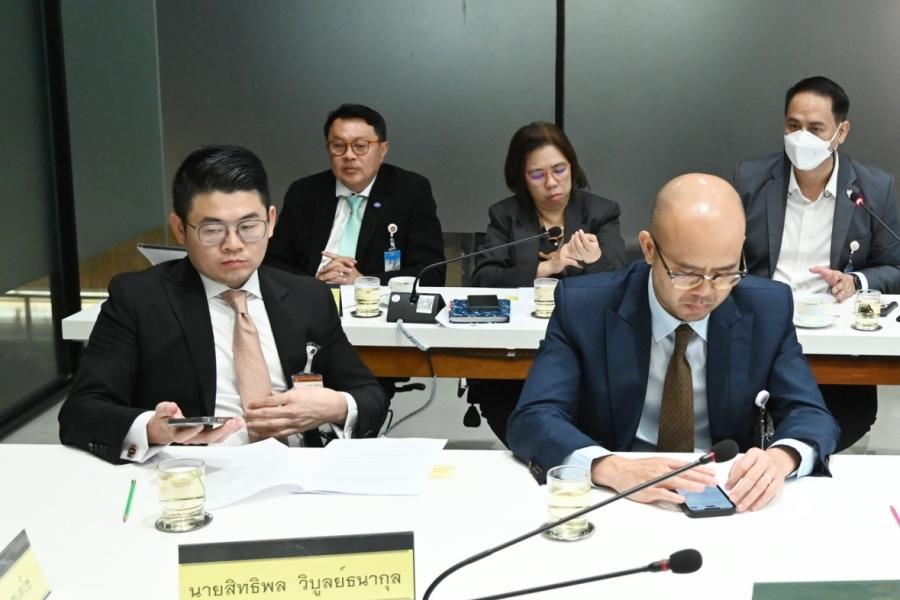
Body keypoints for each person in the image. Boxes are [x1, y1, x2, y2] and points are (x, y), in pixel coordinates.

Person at [508, 173, 839, 512]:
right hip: (617, 496)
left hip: (725, 492)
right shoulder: (585, 307)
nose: (706, 292)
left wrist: (781, 458)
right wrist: (609, 467)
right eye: (686, 273)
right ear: (649, 249)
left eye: (725, 273)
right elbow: (534, 416)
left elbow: (810, 413)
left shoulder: (767, 308)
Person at [59, 145, 387, 464]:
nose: (233, 244)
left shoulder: (308, 296)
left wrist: (336, 407)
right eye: (212, 230)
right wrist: (153, 429)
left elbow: (369, 394)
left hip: (298, 468)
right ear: (179, 229)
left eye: (249, 227)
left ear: (271, 221)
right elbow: (80, 411)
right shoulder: (139, 298)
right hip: (198, 471)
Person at [733, 76, 900, 451]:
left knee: (841, 421)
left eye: (815, 128)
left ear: (841, 132)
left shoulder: (874, 188)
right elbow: (723, 255)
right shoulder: (750, 179)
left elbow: (895, 267)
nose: (801, 137)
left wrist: (854, 281)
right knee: (744, 421)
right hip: (762, 323)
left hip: (834, 331)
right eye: (793, 126)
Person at [467, 122, 626, 445]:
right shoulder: (505, 215)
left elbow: (621, 278)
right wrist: (546, 267)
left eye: (559, 170)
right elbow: (484, 279)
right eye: (537, 175)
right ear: (521, 177)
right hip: (517, 350)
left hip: (585, 348)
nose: (551, 183)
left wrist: (595, 259)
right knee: (509, 409)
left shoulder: (601, 212)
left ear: (572, 167)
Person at [264, 103, 446, 286]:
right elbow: (273, 264)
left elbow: (431, 273)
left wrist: (363, 282)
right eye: (338, 146)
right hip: (311, 298)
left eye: (360, 146)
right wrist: (314, 285)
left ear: (383, 150)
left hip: (378, 300)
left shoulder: (410, 191)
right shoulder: (304, 193)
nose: (349, 155)